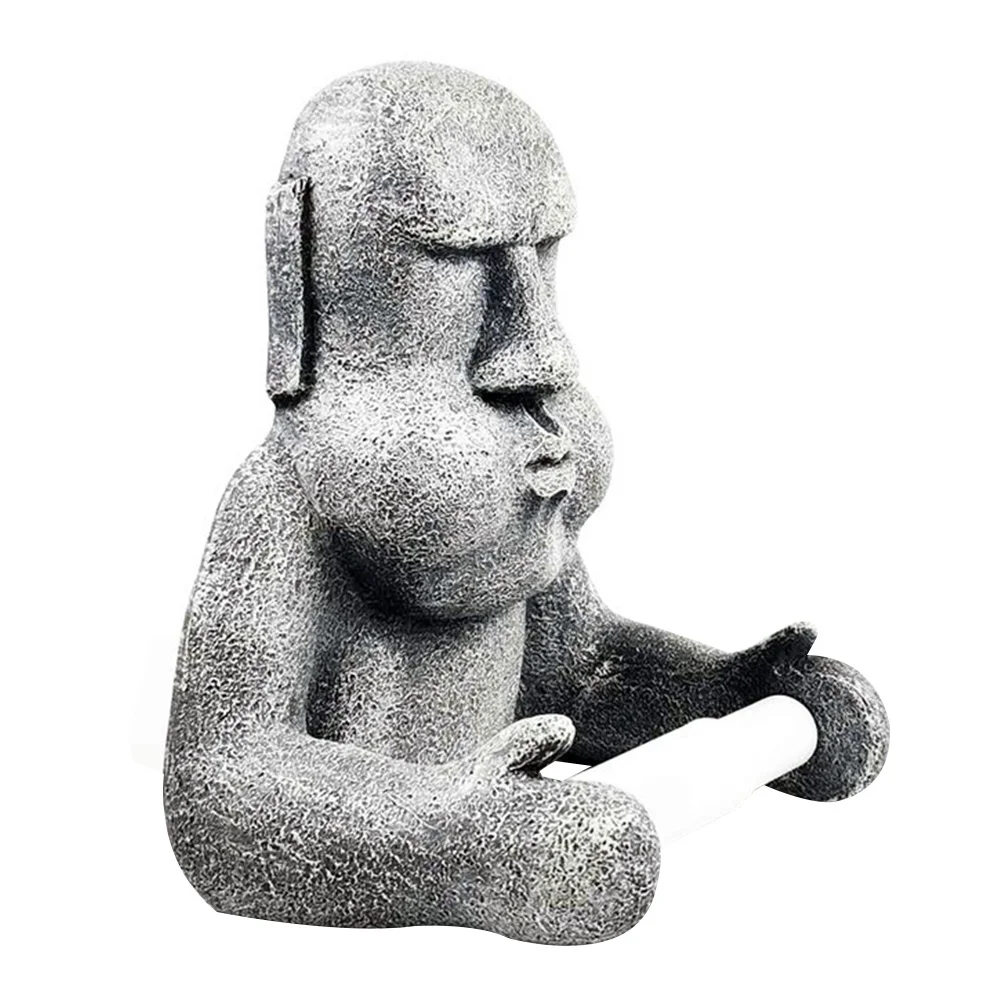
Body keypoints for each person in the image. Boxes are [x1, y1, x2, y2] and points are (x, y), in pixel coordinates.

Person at [164, 62, 888, 945]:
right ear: (306, 273)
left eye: (543, 256)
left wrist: (723, 698)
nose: (542, 352)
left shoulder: (516, 482)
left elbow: (577, 673)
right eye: (460, 264)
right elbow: (219, 790)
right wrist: (458, 840)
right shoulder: (282, 499)